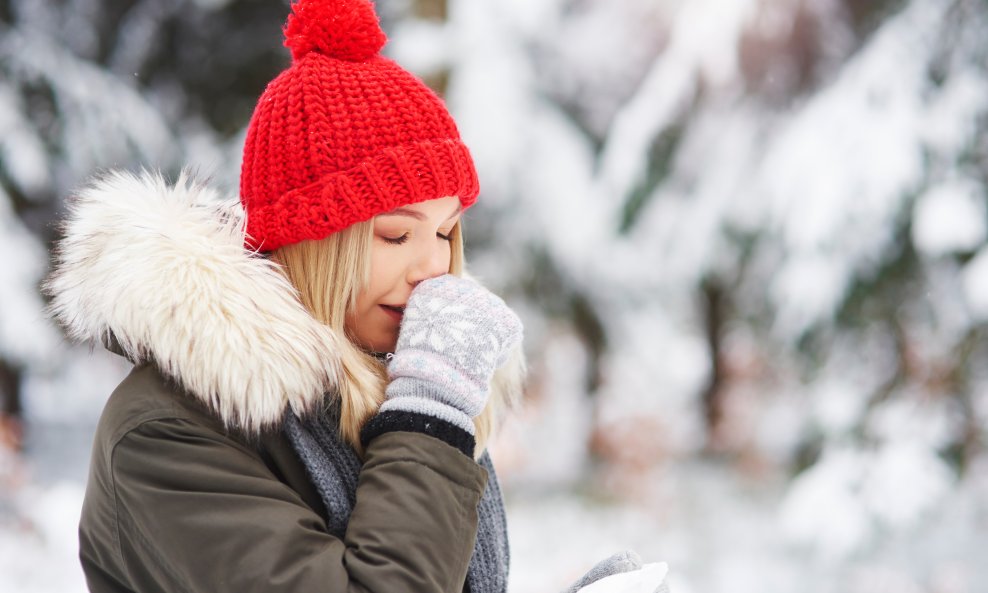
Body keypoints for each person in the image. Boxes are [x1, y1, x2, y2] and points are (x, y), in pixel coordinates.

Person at [46, 1, 653, 592]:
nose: (433, 267)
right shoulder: (167, 436)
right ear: (314, 243)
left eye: (445, 233)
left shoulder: (382, 384)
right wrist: (429, 417)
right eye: (395, 233)